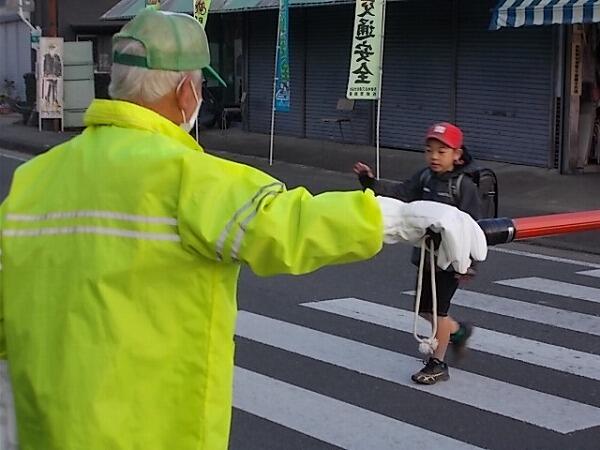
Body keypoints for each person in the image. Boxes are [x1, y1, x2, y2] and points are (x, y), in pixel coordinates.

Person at [0, 11, 487, 450]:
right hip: (154, 430)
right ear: (186, 92)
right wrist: (399, 218)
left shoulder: (34, 179)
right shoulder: (189, 176)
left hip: (47, 429)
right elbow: (289, 224)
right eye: (200, 86)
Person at [354, 122, 482, 386]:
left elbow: (474, 228)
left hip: (450, 262)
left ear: (457, 155)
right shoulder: (425, 177)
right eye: (429, 150)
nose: (434, 156)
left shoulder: (463, 186)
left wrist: (469, 264)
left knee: (437, 312)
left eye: (442, 151)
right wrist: (370, 182)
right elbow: (400, 195)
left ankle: (438, 363)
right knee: (424, 309)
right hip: (425, 256)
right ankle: (459, 332)